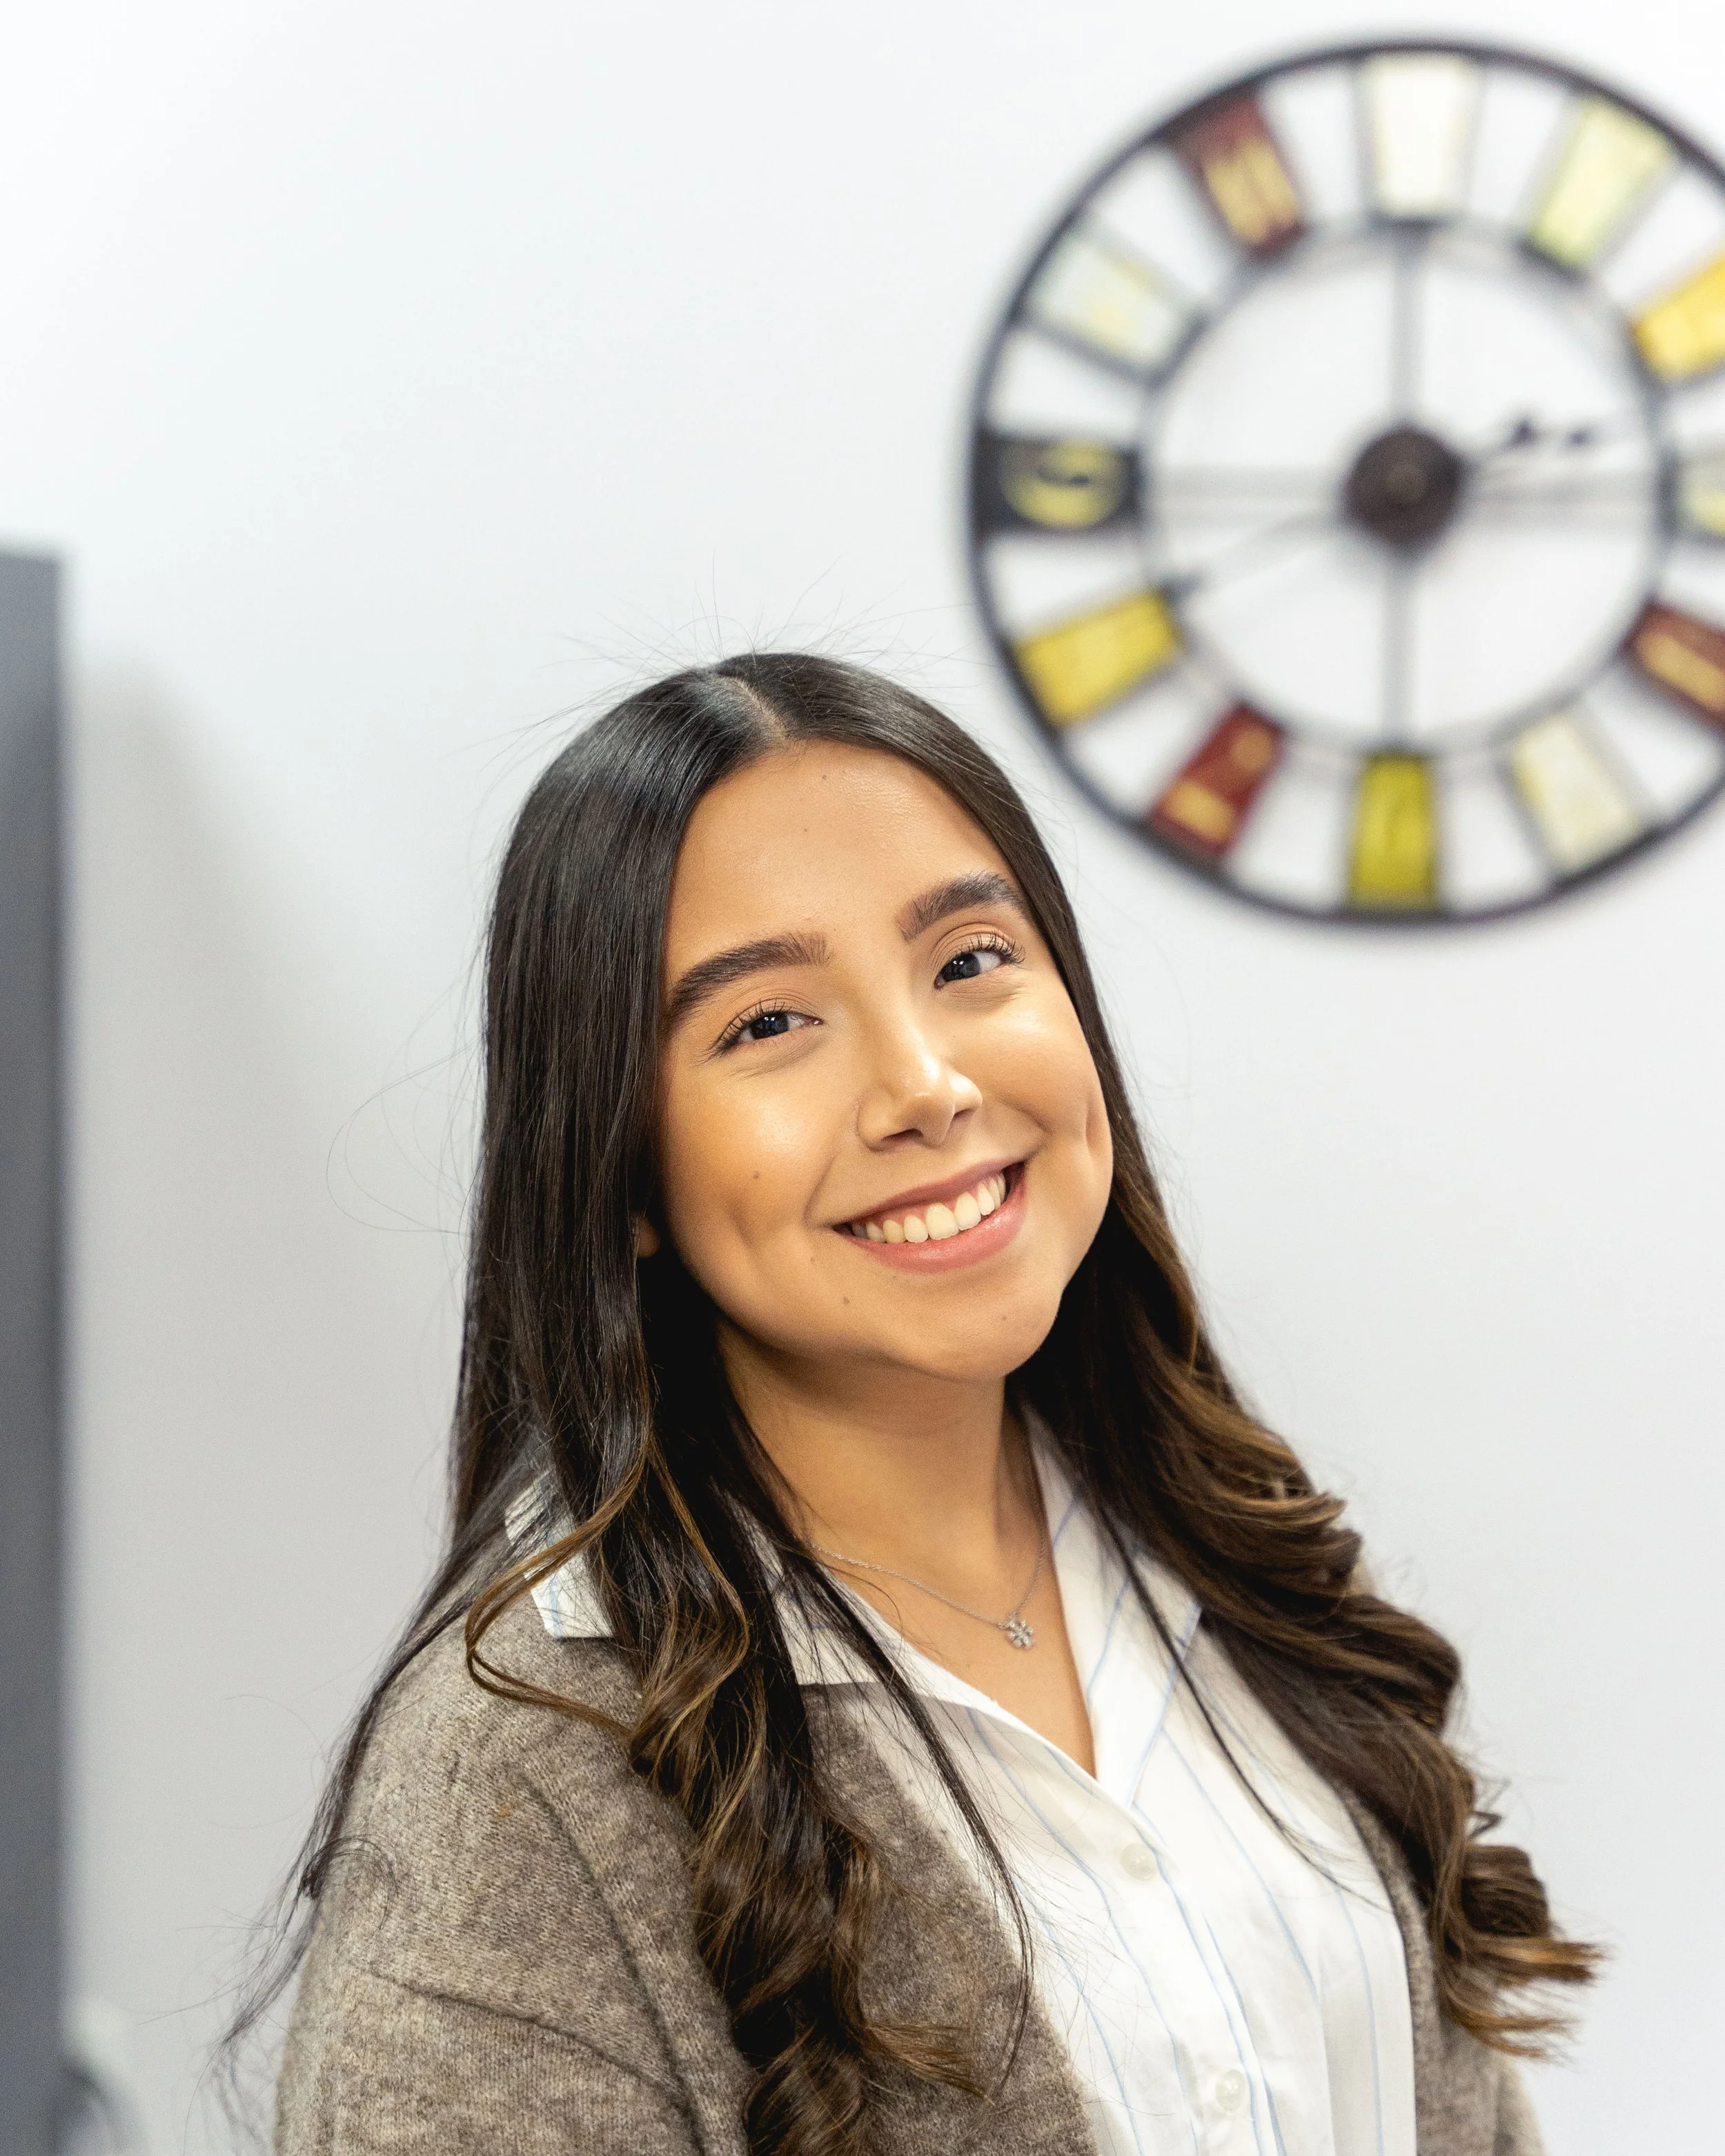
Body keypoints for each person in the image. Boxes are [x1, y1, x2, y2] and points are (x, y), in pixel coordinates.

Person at [268, 653, 1593, 2156]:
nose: (926, 1083)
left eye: (968, 960)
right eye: (767, 1023)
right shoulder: (518, 1762)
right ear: (623, 1169)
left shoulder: (1230, 1547)